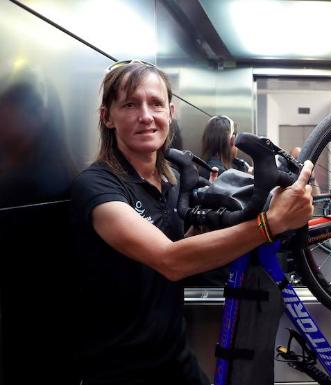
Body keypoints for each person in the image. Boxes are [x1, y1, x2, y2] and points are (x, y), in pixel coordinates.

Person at [70, 60, 313, 385]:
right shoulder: (97, 186)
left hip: (176, 361)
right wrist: (272, 222)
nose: (146, 116)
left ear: (170, 112)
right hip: (118, 372)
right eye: (130, 104)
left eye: (155, 104)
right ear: (107, 117)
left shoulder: (168, 186)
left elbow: (186, 247)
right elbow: (170, 260)